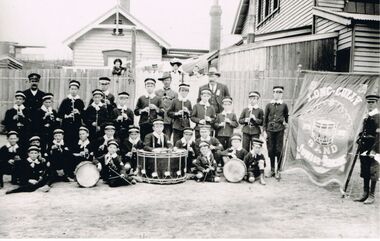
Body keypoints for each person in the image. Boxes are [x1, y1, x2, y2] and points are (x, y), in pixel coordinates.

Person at [354, 94, 380, 205]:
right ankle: (365, 194)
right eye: (368, 102)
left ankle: (371, 195)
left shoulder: (378, 116)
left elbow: (379, 135)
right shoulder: (367, 116)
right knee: (365, 170)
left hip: (375, 147)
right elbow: (364, 131)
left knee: (373, 171)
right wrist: (359, 138)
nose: (370, 105)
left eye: (372, 102)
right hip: (364, 146)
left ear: (377, 103)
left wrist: (374, 150)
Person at [264, 86, 289, 179]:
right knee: (270, 150)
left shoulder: (284, 105)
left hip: (280, 130)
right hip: (270, 130)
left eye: (279, 92)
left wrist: (286, 125)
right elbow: (265, 119)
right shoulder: (268, 105)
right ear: (273, 93)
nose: (277, 94)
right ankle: (272, 169)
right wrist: (264, 131)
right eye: (275, 92)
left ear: (281, 94)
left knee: (279, 150)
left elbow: (287, 117)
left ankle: (278, 170)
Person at [58, 80, 85, 149]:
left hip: (77, 125)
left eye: (75, 89)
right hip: (66, 125)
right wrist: (67, 116)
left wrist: (79, 112)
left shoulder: (80, 101)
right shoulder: (65, 101)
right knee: (67, 141)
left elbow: (84, 114)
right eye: (72, 89)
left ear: (78, 90)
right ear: (69, 90)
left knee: (75, 140)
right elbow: (59, 113)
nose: (73, 91)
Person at [155, 72, 178, 139]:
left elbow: (175, 107)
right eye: (164, 80)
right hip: (159, 119)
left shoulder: (174, 93)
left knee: (167, 138)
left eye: (167, 80)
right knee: (158, 138)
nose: (166, 82)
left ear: (170, 80)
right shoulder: (157, 92)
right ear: (162, 81)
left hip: (169, 120)